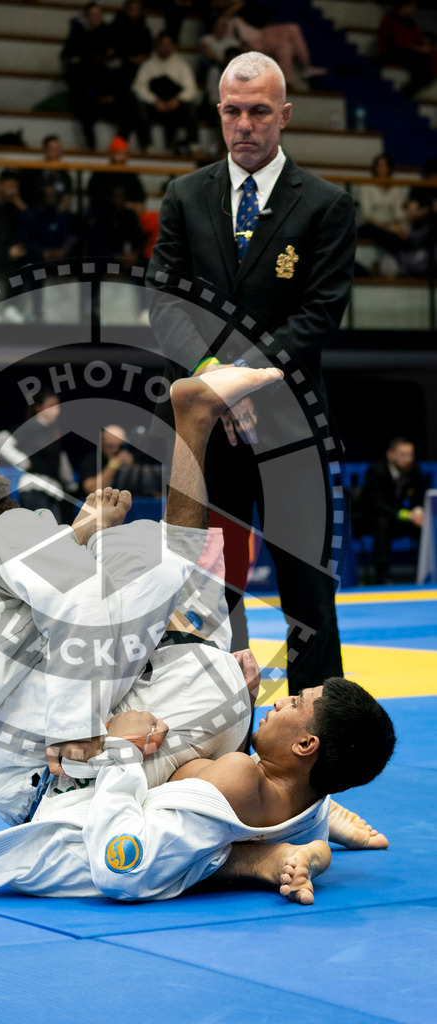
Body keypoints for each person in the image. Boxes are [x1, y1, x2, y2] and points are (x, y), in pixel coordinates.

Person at [0, 365, 285, 843]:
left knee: (163, 830)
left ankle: (188, 427)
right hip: (174, 699)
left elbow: (75, 598)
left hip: (60, 779)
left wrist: (74, 729)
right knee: (171, 560)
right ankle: (189, 427)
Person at [147, 52, 357, 696]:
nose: (245, 124)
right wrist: (212, 378)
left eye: (259, 111)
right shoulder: (186, 196)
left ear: (284, 115)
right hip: (208, 432)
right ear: (219, 113)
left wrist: (241, 378)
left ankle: (318, 733)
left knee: (308, 590)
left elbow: (319, 314)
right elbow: (165, 301)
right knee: (211, 586)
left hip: (292, 425)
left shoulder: (325, 205)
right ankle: (215, 728)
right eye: (234, 111)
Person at [0, 667, 394, 907]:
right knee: (218, 676)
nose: (281, 702)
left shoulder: (239, 776)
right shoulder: (294, 794)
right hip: (295, 809)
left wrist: (123, 751)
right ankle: (310, 839)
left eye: (295, 703)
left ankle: (269, 855)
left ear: (305, 745)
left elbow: (120, 870)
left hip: (59, 820)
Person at [0, 389, 77, 521]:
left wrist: (69, 482)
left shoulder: (52, 430)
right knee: (40, 529)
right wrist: (24, 461)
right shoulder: (31, 426)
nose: (56, 410)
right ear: (39, 407)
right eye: (51, 406)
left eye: (57, 405)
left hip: (53, 489)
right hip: (35, 489)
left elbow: (59, 457)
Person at [360, 438, 426, 584]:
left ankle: (426, 574)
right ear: (390, 454)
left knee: (425, 525)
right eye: (403, 455)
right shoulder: (376, 471)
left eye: (410, 454)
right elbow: (378, 504)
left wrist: (418, 512)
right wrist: (407, 514)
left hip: (397, 518)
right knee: (382, 523)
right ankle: (383, 577)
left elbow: (419, 495)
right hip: (371, 518)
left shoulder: (413, 469)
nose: (408, 459)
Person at [61, 3, 117, 150]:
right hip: (83, 87)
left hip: (103, 84)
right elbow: (71, 58)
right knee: (87, 107)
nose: (96, 18)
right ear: (86, 17)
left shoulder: (107, 31)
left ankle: (120, 146)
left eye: (99, 15)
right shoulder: (77, 31)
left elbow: (112, 55)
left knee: (125, 103)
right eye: (93, 15)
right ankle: (91, 147)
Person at [132, 33, 199, 153]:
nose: (165, 48)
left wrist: (177, 100)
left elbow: (191, 89)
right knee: (140, 107)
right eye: (162, 44)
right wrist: (154, 101)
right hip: (155, 106)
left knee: (191, 108)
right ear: (157, 46)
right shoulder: (148, 65)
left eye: (168, 44)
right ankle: (146, 145)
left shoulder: (181, 66)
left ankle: (193, 144)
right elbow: (138, 87)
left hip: (174, 106)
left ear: (173, 47)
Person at [356, 154, 410, 277]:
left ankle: (394, 266)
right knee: (384, 234)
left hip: (390, 227)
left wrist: (401, 228)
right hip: (369, 226)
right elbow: (367, 214)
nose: (382, 169)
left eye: (385, 166)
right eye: (379, 166)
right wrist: (387, 227)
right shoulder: (367, 185)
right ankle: (398, 266)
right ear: (375, 168)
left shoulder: (395, 187)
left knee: (403, 235)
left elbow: (398, 213)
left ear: (389, 168)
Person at [378, 1, 437, 98]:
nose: (414, 9)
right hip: (393, 52)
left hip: (408, 52)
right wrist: (418, 48)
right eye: (411, 6)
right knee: (425, 62)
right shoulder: (392, 18)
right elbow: (397, 42)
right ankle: (404, 95)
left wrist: (424, 46)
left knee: (430, 60)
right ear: (404, 6)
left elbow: (417, 38)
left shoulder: (409, 21)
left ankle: (406, 94)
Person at [87, 136, 146, 216]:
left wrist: (130, 206)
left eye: (122, 154)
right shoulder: (100, 173)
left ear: (126, 155)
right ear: (111, 154)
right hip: (104, 213)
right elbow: (95, 196)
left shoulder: (131, 175)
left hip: (127, 214)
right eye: (117, 153)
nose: (119, 157)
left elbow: (140, 198)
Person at [18, 135, 73, 211]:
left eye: (58, 150)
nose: (55, 154)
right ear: (45, 150)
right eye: (52, 150)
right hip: (36, 210)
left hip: (57, 211)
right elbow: (26, 196)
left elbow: (66, 198)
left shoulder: (65, 176)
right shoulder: (31, 173)